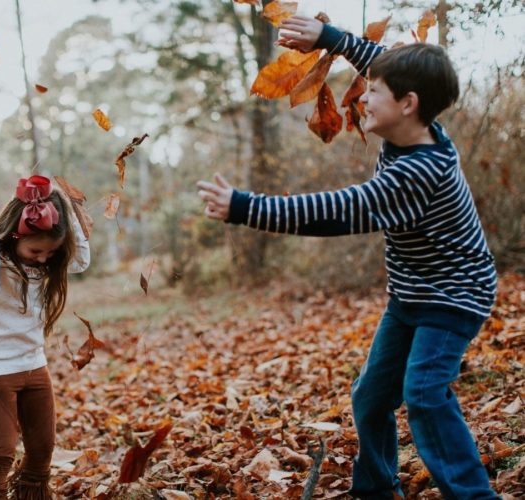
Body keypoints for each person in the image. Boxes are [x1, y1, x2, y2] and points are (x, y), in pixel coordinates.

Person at [197, 15, 499, 500]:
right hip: (410, 296)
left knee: (423, 393)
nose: (362, 96)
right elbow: (381, 65)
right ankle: (378, 487)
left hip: (453, 297)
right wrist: (330, 40)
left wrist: (246, 207)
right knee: (371, 396)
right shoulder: (416, 126)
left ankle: (473, 495)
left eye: (373, 93)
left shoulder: (418, 172)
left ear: (407, 104)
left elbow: (338, 211)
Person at [0, 174, 90, 499]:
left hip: (33, 364)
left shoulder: (43, 265)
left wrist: (66, 211)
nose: (43, 259)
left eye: (50, 253)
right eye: (36, 250)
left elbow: (81, 261)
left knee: (42, 449)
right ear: (15, 234)